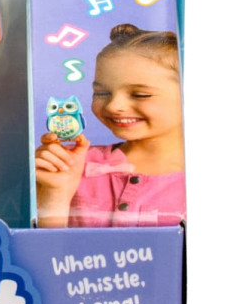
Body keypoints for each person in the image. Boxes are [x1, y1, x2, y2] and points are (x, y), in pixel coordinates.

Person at [35, 23, 185, 228]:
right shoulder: (72, 164)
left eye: (140, 94)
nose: (114, 106)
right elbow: (49, 246)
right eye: (102, 93)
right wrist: (55, 193)